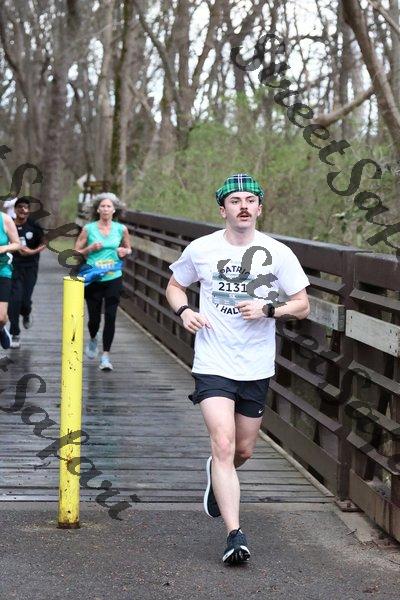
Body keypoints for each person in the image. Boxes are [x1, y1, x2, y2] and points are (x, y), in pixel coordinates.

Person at [166, 173, 310, 565]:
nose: (243, 206)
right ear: (223, 210)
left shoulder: (278, 252)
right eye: (235, 201)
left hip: (256, 364)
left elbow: (303, 304)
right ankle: (234, 535)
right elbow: (174, 286)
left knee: (243, 449)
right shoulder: (202, 249)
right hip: (213, 360)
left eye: (250, 200)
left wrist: (269, 309)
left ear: (259, 208)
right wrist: (185, 311)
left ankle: (217, 473)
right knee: (224, 444)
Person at [74, 193, 132, 371]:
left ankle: (105, 356)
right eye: (103, 206)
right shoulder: (89, 229)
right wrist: (90, 248)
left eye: (109, 206)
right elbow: (76, 251)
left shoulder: (121, 229)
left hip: (113, 276)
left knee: (111, 316)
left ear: (114, 210)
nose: (106, 209)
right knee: (94, 319)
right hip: (93, 278)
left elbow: (128, 248)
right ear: (97, 209)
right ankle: (93, 338)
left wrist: (124, 251)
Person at [8, 198, 46, 348]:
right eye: (20, 207)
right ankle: (15, 333)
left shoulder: (34, 225)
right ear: (15, 209)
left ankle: (27, 312)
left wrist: (32, 251)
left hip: (30, 267)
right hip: (13, 266)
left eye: (25, 207)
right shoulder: (10, 225)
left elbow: (45, 242)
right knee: (14, 300)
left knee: (25, 300)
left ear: (29, 210)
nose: (22, 210)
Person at [0, 210, 20, 349]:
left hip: (2, 270)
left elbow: (17, 244)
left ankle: (1, 329)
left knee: (1, 317)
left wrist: (3, 248)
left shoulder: (5, 219)